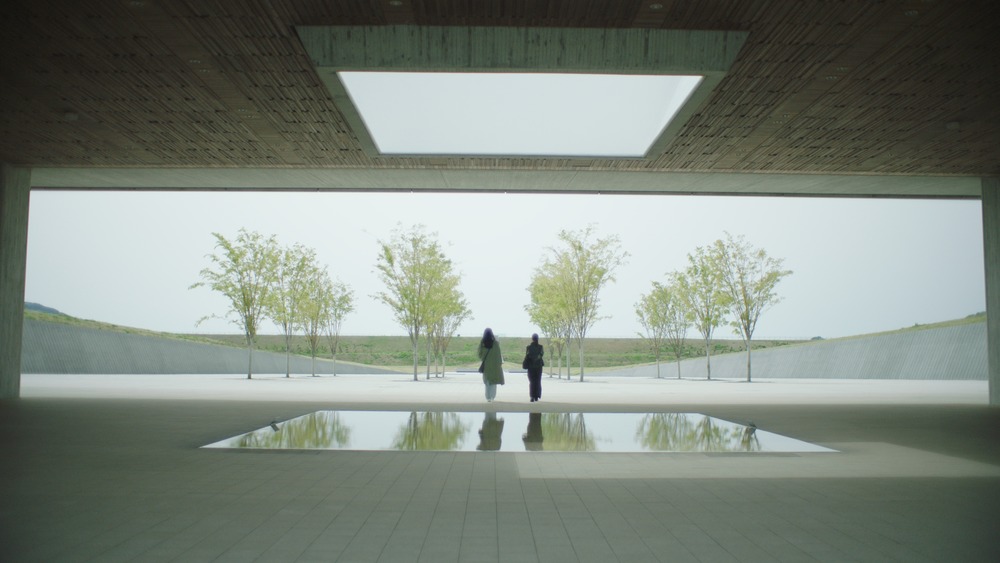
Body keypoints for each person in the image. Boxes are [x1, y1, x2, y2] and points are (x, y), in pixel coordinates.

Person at [477, 327, 504, 402]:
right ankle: (492, 397)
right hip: (495, 365)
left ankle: (488, 397)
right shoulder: (495, 343)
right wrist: (499, 364)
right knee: (493, 381)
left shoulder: (482, 343)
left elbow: (480, 354)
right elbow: (499, 355)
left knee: (487, 381)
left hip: (486, 365)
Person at [523, 333, 544, 402]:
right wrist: (536, 359)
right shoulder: (541, 347)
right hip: (538, 366)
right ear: (538, 339)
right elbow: (541, 355)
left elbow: (527, 355)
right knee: (538, 381)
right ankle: (537, 396)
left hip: (531, 366)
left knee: (532, 382)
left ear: (532, 338)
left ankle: (532, 396)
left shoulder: (528, 347)